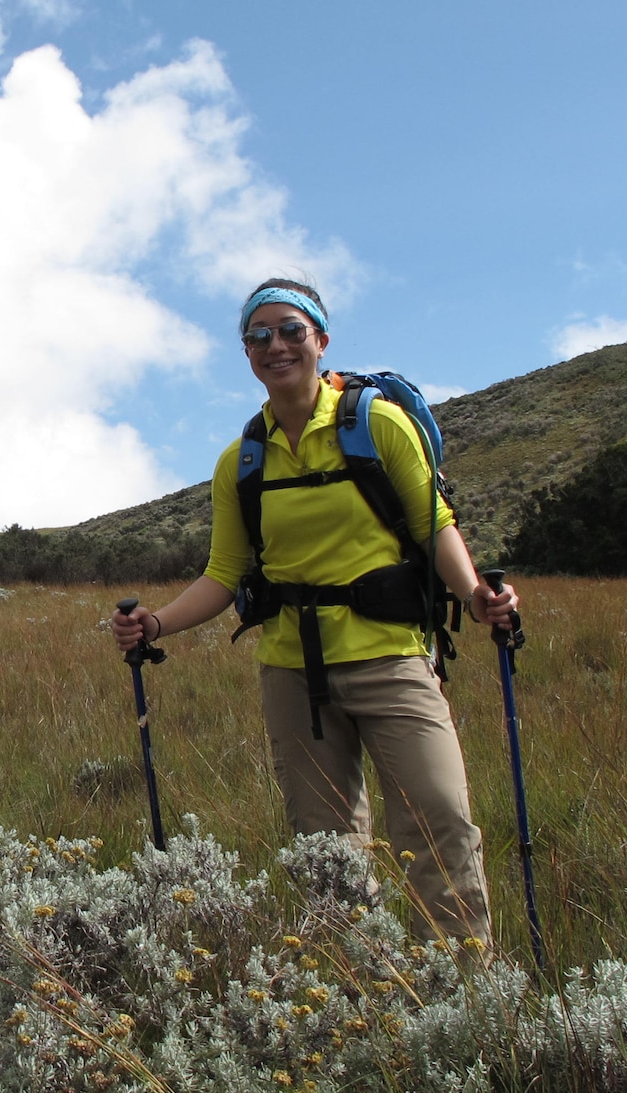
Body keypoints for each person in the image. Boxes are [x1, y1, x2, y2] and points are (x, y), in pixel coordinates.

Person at [111, 277, 518, 946]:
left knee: (438, 821)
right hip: (293, 674)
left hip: (391, 657)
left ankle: (460, 995)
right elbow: (223, 574)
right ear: (246, 352)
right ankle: (361, 996)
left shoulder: (377, 425)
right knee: (326, 847)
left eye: (291, 330)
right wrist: (156, 623)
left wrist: (476, 594)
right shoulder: (241, 461)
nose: (276, 345)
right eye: (259, 334)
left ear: (322, 340)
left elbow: (432, 522)